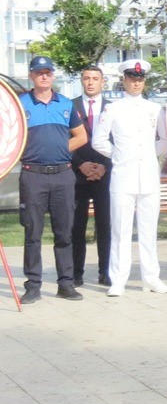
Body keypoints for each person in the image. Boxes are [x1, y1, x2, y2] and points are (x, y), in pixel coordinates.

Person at [93, 60, 167, 297]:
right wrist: (117, 154)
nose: (136, 83)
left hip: (148, 176)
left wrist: (150, 153)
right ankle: (118, 279)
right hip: (123, 177)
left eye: (140, 79)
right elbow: (98, 140)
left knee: (149, 230)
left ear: (144, 81)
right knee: (120, 230)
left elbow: (165, 140)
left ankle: (152, 277)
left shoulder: (154, 109)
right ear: (124, 80)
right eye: (131, 79)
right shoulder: (113, 109)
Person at [18, 55, 88, 304]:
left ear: (53, 75)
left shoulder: (66, 104)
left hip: (62, 176)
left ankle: (65, 284)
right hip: (32, 175)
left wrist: (60, 148)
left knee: (64, 232)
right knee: (33, 233)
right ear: (31, 76)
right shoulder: (20, 104)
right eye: (39, 72)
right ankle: (33, 285)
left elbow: (81, 137)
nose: (44, 76)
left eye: (48, 72)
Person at [71, 65, 111, 288]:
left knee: (105, 225)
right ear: (81, 80)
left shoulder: (113, 108)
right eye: (86, 78)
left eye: (95, 78)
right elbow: (65, 140)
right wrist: (81, 164)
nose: (90, 82)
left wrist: (104, 166)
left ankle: (105, 272)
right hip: (78, 175)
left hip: (104, 175)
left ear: (102, 82)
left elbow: (117, 141)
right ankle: (76, 273)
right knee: (77, 226)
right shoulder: (70, 106)